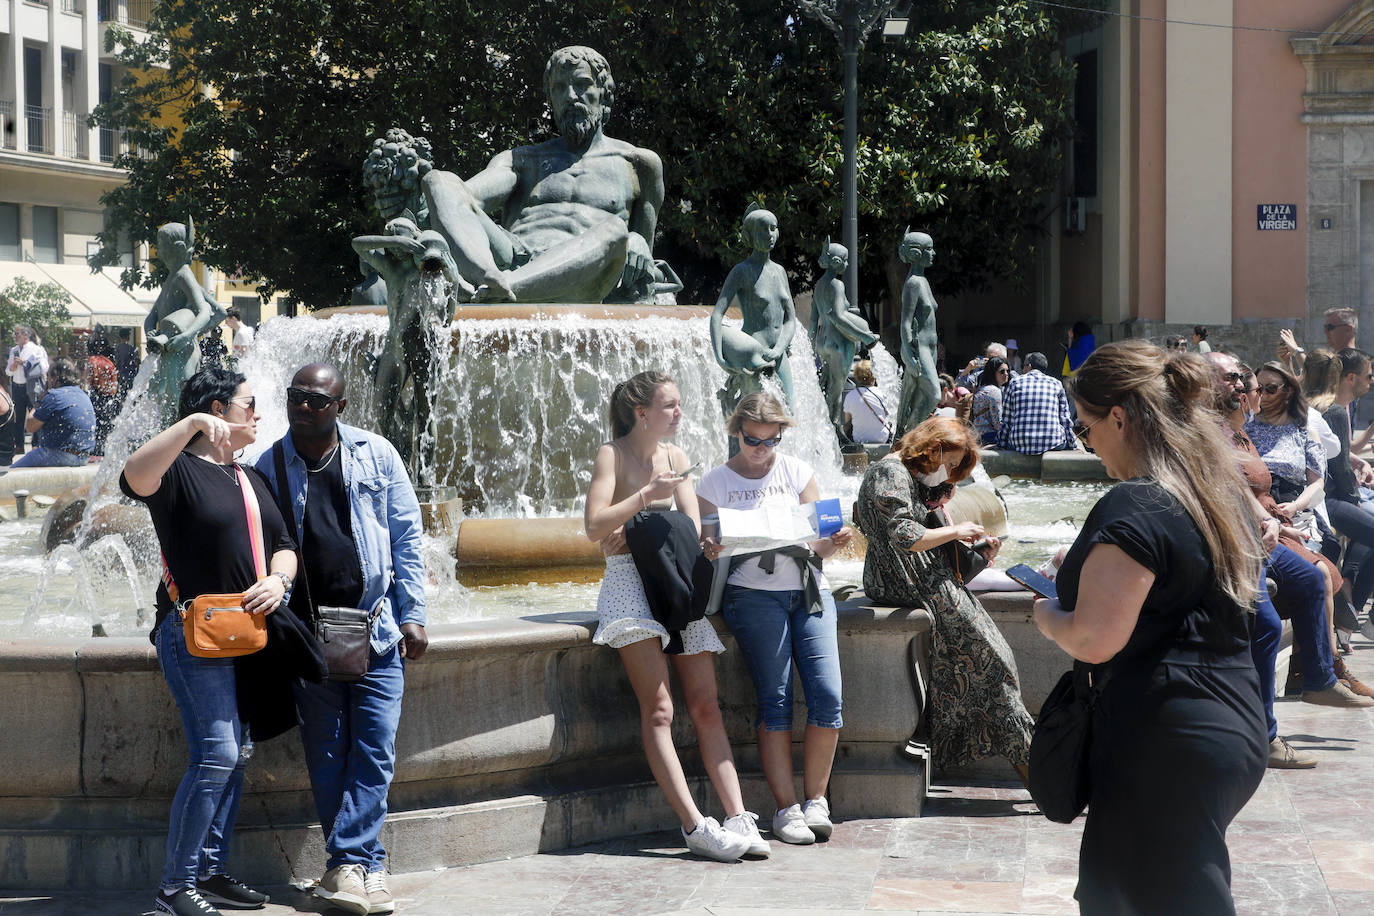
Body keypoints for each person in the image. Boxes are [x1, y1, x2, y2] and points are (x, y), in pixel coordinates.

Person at [1032, 340, 1267, 914]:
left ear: (1119, 416)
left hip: (1164, 737)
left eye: (1086, 428)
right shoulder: (1214, 492)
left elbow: (1094, 638)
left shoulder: (1134, 503)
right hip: (1228, 718)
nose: (1087, 443)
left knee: (1149, 897)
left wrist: (1047, 615)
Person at [120, 367, 297, 916]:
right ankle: (174, 889)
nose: (258, 414)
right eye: (248, 404)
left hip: (246, 630)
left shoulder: (251, 478)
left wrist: (279, 578)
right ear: (218, 411)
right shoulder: (177, 472)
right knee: (217, 752)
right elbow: (133, 476)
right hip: (192, 633)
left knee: (236, 755)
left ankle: (210, 873)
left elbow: (285, 543)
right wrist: (190, 423)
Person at [255, 363, 426, 915]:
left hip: (374, 627)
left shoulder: (376, 455)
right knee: (328, 755)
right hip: (308, 636)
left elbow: (406, 536)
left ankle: (348, 863)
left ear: (340, 407)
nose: (303, 407)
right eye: (295, 397)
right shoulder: (268, 466)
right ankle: (364, 868)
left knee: (374, 749)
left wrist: (413, 614)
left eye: (316, 400)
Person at [582, 371, 755, 863]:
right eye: (671, 406)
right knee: (659, 710)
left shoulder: (677, 457)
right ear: (642, 413)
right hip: (628, 582)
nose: (680, 413)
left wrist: (710, 543)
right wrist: (642, 499)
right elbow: (594, 526)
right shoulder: (610, 455)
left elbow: (693, 529)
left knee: (706, 705)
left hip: (675, 583)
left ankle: (738, 815)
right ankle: (695, 827)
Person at [696, 393, 851, 845]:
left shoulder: (798, 472)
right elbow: (709, 549)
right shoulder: (714, 483)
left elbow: (819, 543)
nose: (762, 448)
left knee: (827, 694)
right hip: (753, 596)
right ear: (736, 433)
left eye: (771, 440)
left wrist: (833, 541)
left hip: (808, 590)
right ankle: (786, 809)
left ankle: (815, 800)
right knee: (776, 699)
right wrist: (711, 548)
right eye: (752, 440)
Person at [854, 417, 1033, 783]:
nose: (946, 470)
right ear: (930, 447)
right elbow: (905, 535)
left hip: (920, 576)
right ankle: (1033, 767)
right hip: (904, 579)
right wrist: (957, 529)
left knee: (994, 660)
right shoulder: (888, 473)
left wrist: (975, 551)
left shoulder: (905, 474)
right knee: (992, 660)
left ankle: (1028, 760)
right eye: (947, 462)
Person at [419, 46, 665, 303]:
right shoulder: (523, 160)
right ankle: (490, 279)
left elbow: (643, 258)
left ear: (605, 93)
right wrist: (424, 200)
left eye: (582, 84)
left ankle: (503, 290)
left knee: (616, 231)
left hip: (585, 271)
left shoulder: (639, 164)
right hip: (513, 256)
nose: (571, 96)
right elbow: (461, 199)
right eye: (559, 88)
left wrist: (636, 240)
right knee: (438, 181)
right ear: (550, 99)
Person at [710, 204, 797, 409]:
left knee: (788, 412)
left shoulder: (780, 272)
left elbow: (790, 319)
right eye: (762, 229)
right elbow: (716, 315)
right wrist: (720, 357)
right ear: (749, 235)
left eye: (773, 228)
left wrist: (779, 349)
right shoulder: (741, 271)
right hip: (752, 354)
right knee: (757, 414)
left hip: (778, 352)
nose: (769, 234)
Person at [12, 359, 96, 468]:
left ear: (55, 377)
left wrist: (39, 401)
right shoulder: (83, 395)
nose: (47, 380)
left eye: (48, 376)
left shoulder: (54, 395)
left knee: (10, 473)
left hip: (59, 455)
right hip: (84, 457)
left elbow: (30, 426)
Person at [996, 352, 1076, 454]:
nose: (1022, 369)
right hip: (1053, 443)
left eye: (1023, 366)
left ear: (1029, 366)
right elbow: (1065, 419)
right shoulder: (1056, 383)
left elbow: (1007, 420)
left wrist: (1001, 444)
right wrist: (1072, 445)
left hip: (1019, 443)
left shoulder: (1014, 383)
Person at [6, 325, 48, 457]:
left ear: (26, 335)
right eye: (14, 334)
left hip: (31, 386)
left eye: (17, 333)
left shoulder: (36, 349)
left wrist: (25, 362)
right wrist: (13, 366)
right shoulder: (14, 350)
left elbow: (44, 367)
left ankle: (36, 444)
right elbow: (8, 371)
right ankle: (19, 445)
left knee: (35, 415)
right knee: (17, 417)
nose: (15, 336)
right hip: (17, 386)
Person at [86, 327, 120, 456]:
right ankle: (101, 451)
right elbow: (114, 386)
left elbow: (89, 380)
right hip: (108, 398)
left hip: (96, 397)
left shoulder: (91, 362)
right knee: (105, 428)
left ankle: (95, 451)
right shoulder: (109, 363)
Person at [843, 360, 891, 444]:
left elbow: (847, 423)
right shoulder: (883, 393)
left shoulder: (850, 395)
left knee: (849, 422)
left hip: (858, 439)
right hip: (882, 438)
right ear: (874, 375)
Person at [969, 357, 1010, 445]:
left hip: (976, 435)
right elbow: (998, 423)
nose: (1006, 374)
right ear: (992, 373)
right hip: (987, 436)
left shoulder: (982, 387)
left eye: (1007, 371)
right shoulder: (994, 391)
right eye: (1002, 371)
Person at [115, 326, 142, 402]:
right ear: (128, 336)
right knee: (132, 399)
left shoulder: (116, 349)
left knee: (121, 398)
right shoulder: (132, 349)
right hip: (131, 377)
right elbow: (137, 363)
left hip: (120, 377)